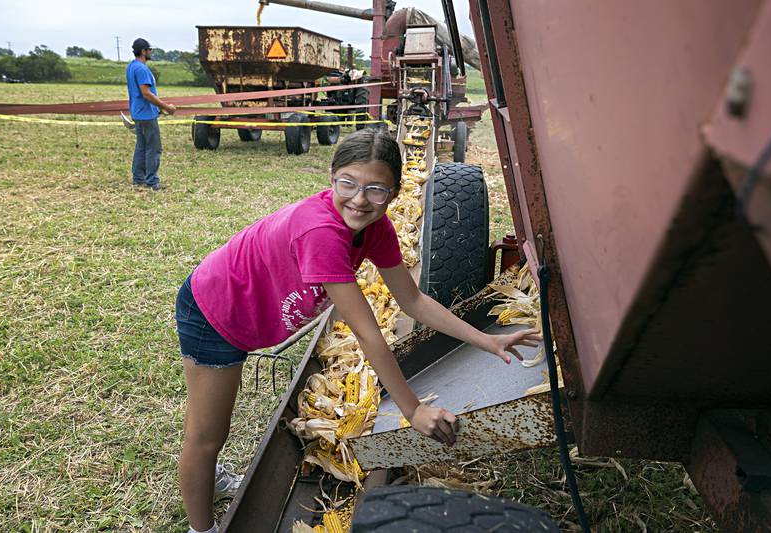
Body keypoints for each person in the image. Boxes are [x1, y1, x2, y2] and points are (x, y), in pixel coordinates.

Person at [174, 129, 542, 533]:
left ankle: (210, 476)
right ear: (331, 177)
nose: (359, 199)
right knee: (207, 435)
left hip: (247, 314)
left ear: (395, 192)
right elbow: (367, 333)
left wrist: (485, 339)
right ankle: (202, 528)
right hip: (215, 312)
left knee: (211, 430)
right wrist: (413, 409)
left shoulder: (376, 229)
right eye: (347, 183)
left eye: (376, 189)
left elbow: (412, 301)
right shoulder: (322, 233)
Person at [126, 38, 176, 191]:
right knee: (154, 148)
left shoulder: (131, 67)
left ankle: (138, 178)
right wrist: (166, 107)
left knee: (141, 147)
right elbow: (146, 93)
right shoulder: (142, 69)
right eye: (149, 50)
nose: (151, 52)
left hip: (137, 113)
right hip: (146, 115)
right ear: (143, 51)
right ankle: (152, 181)